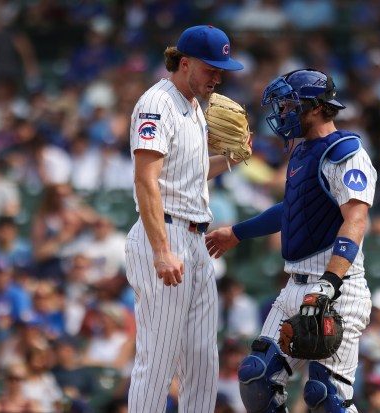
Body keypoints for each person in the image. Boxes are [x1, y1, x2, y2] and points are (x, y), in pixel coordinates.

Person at [206, 68, 377, 412]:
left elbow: (356, 220)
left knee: (325, 396)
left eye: (288, 105)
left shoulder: (345, 151)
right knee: (257, 377)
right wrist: (237, 232)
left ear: (314, 107)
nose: (282, 113)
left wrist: (330, 283)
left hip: (336, 291)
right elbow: (292, 209)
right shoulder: (302, 153)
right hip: (294, 287)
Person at [124, 25, 244, 413]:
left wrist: (230, 158)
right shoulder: (157, 104)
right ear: (185, 62)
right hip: (166, 233)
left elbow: (188, 173)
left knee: (202, 360)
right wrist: (161, 250)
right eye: (211, 68)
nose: (218, 76)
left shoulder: (194, 105)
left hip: (195, 238)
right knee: (157, 361)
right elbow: (146, 180)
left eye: (220, 69)